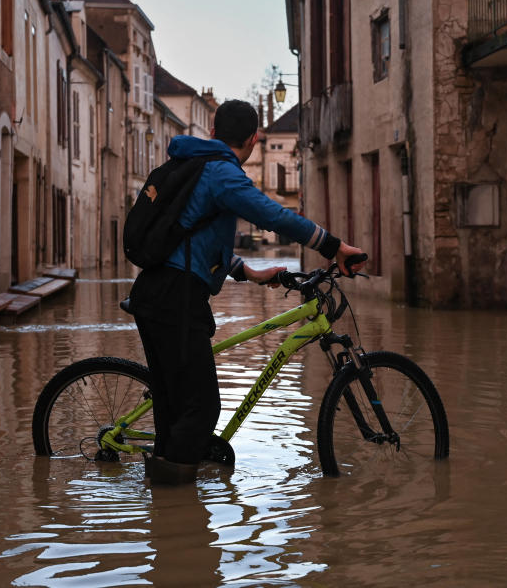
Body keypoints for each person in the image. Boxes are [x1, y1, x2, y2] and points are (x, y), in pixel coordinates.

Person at [128, 99, 365, 485]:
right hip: (176, 298)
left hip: (160, 292)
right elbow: (272, 214)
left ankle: (168, 516)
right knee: (202, 410)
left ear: (215, 132)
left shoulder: (197, 165)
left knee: (177, 408)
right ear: (254, 138)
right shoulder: (221, 173)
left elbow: (197, 242)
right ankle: (173, 507)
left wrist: (248, 272)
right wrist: (333, 246)